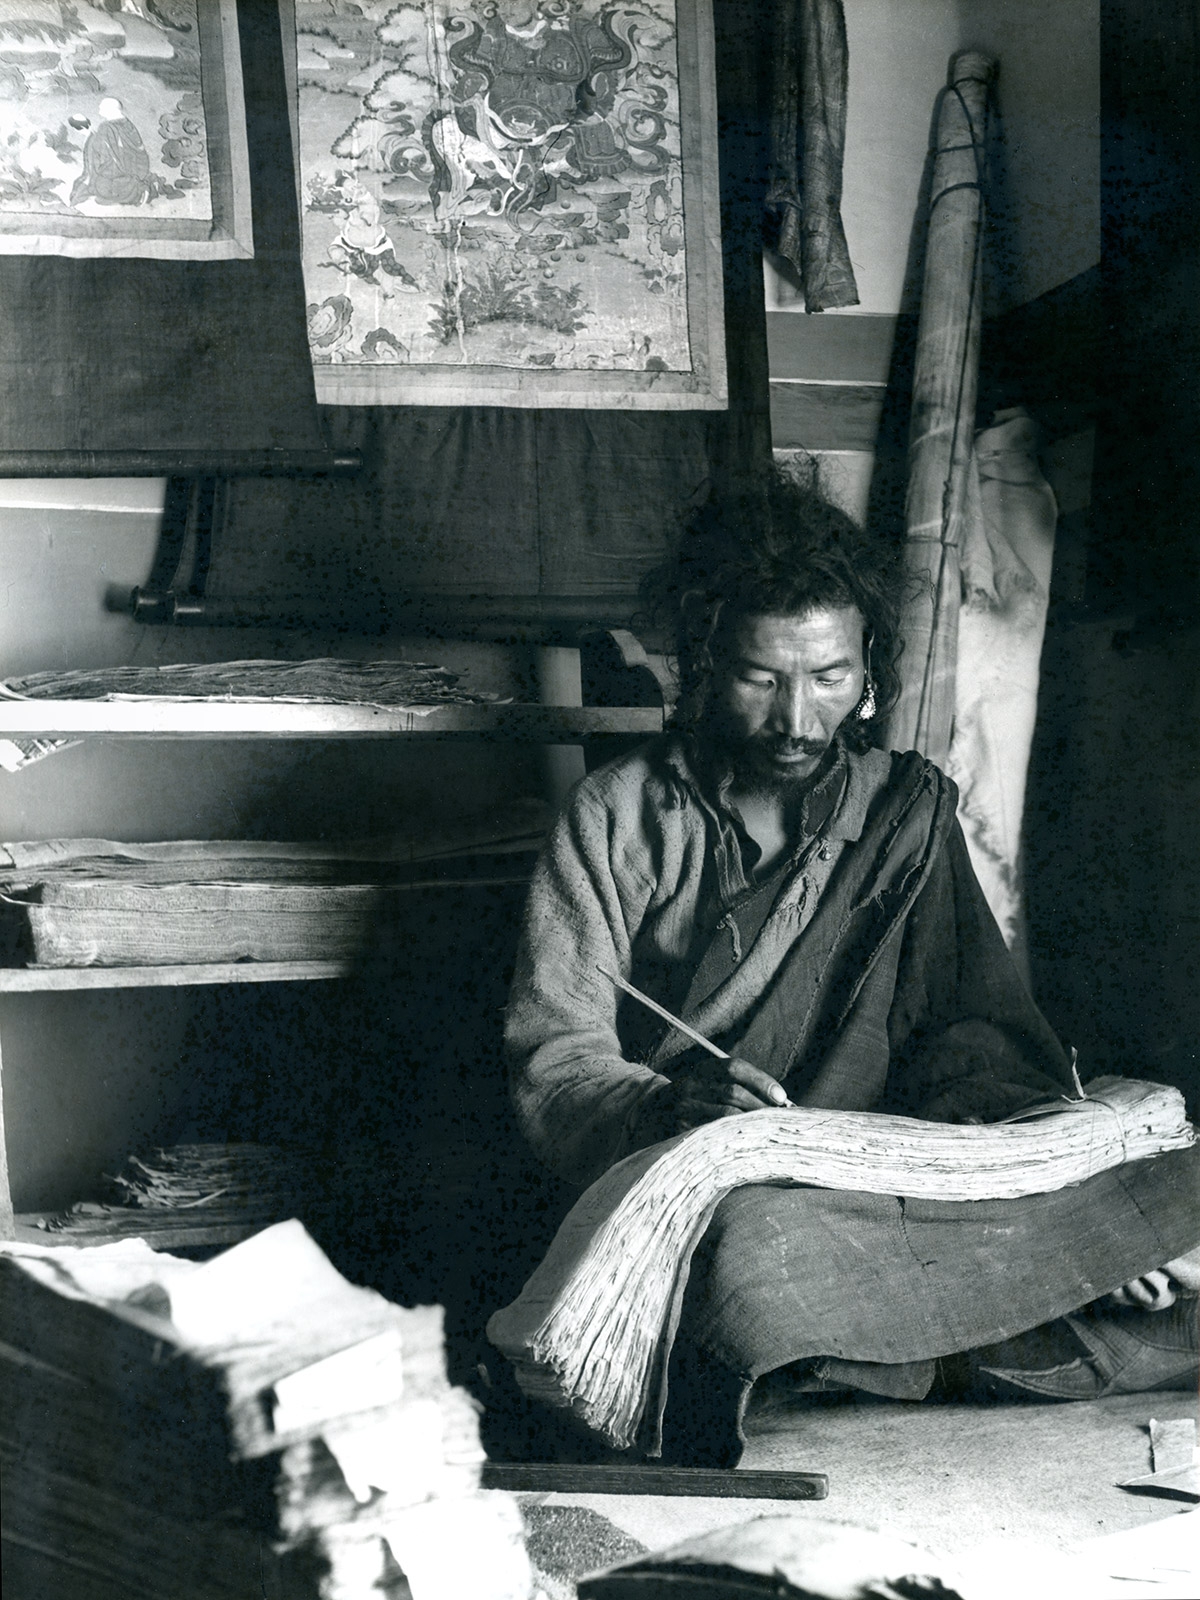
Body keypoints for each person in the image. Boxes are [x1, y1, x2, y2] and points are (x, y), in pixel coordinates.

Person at [501, 469, 1200, 1461]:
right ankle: (1004, 1296)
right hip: (712, 1190)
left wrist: (1064, 1198)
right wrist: (671, 1107)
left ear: (869, 671)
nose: (796, 716)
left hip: (886, 1176)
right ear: (701, 662)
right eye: (759, 675)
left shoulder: (901, 812)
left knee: (1176, 1182)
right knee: (749, 1258)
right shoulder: (616, 816)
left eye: (828, 676)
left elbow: (967, 1039)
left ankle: (1028, 1274)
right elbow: (553, 1054)